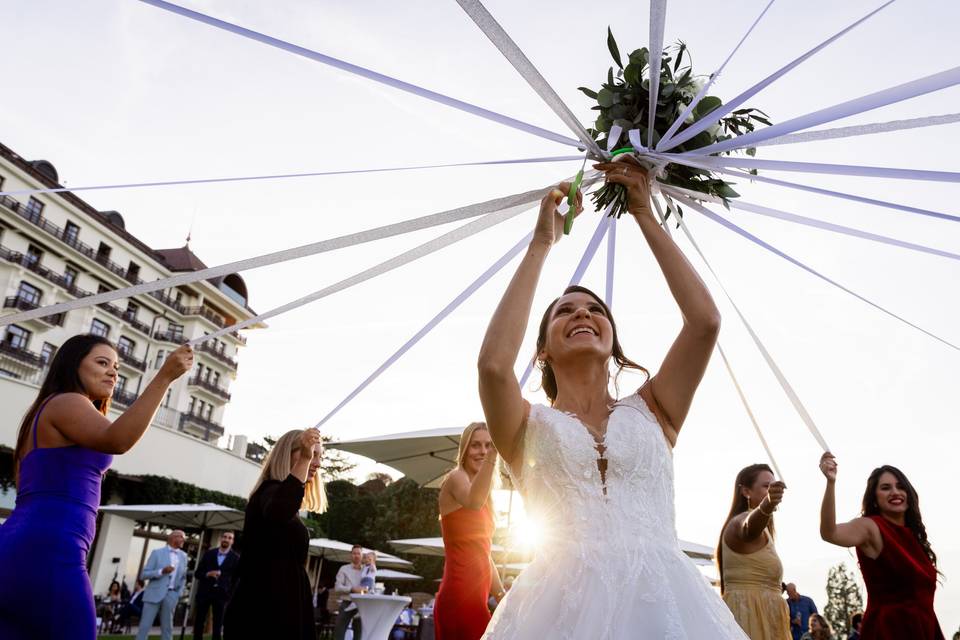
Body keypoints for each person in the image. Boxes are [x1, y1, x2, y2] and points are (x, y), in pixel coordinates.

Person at [476, 164, 745, 638]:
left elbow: (704, 322)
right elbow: (494, 367)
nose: (582, 312)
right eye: (565, 311)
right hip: (557, 611)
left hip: (667, 606)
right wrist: (542, 245)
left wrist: (643, 211)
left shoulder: (656, 408)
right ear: (543, 349)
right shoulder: (523, 426)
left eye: (595, 310)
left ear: (612, 339)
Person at [0, 334, 193, 640]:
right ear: (72, 366)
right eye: (102, 363)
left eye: (116, 367)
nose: (113, 372)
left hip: (18, 545)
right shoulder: (67, 401)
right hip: (51, 550)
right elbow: (117, 439)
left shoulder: (45, 412)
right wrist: (165, 377)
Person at [818, 454, 945, 639]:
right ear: (875, 498)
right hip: (890, 630)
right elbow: (830, 533)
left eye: (900, 487)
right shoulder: (870, 527)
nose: (895, 492)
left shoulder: (914, 537)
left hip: (925, 628)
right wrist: (830, 483)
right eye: (886, 488)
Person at [223, 428, 326, 640]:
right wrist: (304, 460)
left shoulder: (282, 498)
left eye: (318, 457)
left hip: (282, 603)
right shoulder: (268, 492)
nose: (316, 463)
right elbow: (279, 509)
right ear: (288, 454)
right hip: (266, 607)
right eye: (310, 454)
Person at [434, 422, 504, 640]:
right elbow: (472, 501)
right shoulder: (456, 478)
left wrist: (501, 595)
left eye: (488, 445)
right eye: (475, 445)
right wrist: (494, 454)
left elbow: (484, 552)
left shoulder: (486, 495)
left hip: (478, 597)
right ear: (464, 449)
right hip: (459, 596)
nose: (483, 451)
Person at [718, 464, 791, 640]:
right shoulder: (740, 521)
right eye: (766, 486)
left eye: (774, 486)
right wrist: (768, 504)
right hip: (749, 618)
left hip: (768, 619)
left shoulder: (766, 530)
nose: (772, 490)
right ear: (746, 491)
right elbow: (749, 527)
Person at [137, 530, 189, 640]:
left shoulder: (184, 556)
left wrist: (177, 594)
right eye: (181, 537)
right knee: (145, 626)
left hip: (171, 596)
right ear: (173, 538)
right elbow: (143, 575)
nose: (184, 540)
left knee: (168, 628)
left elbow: (183, 577)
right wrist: (161, 571)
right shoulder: (157, 553)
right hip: (153, 594)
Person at [193, 531, 240, 639]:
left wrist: (229, 594)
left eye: (229, 538)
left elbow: (236, 579)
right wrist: (207, 574)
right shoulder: (209, 553)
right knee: (199, 621)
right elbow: (197, 573)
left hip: (222, 594)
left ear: (232, 541)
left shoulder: (236, 558)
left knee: (218, 624)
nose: (226, 539)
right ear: (221, 539)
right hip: (204, 593)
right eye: (224, 537)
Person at [333, 544, 367, 639]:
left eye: (358, 553)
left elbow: (370, 585)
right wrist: (352, 589)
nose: (356, 555)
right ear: (351, 555)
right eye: (354, 553)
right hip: (346, 603)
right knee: (339, 631)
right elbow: (337, 587)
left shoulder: (367, 570)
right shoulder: (343, 569)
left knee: (359, 633)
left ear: (362, 555)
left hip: (361, 605)